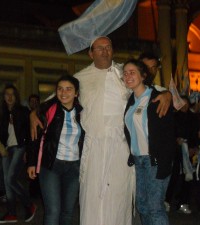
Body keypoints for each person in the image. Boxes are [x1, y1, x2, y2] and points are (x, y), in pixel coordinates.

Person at [30, 36, 172, 225]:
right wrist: (34, 113)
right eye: (99, 48)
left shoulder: (125, 73)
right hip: (93, 148)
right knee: (92, 199)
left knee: (119, 199)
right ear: (91, 53)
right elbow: (55, 98)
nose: (105, 51)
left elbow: (152, 90)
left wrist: (168, 94)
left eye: (108, 47)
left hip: (121, 150)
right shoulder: (81, 77)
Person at [123, 59, 175, 225]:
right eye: (125, 73)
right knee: (142, 206)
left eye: (132, 72)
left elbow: (169, 134)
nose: (127, 75)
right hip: (139, 161)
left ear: (143, 76)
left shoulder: (156, 98)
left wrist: (165, 162)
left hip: (155, 160)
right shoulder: (130, 101)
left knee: (154, 207)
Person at [27, 75, 85, 225]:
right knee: (53, 211)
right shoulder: (48, 110)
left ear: (76, 93)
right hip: (51, 165)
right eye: (60, 89)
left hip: (74, 167)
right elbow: (35, 137)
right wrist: (32, 163)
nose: (63, 92)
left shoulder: (83, 112)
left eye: (68, 89)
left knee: (67, 212)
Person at [0, 84, 36, 224]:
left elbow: (30, 134)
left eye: (12, 94)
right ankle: (12, 213)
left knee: (11, 179)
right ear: (4, 97)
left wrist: (28, 152)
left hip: (19, 147)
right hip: (7, 149)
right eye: (7, 94)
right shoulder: (1, 112)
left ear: (16, 96)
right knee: (7, 183)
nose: (10, 96)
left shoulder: (23, 111)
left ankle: (28, 204)